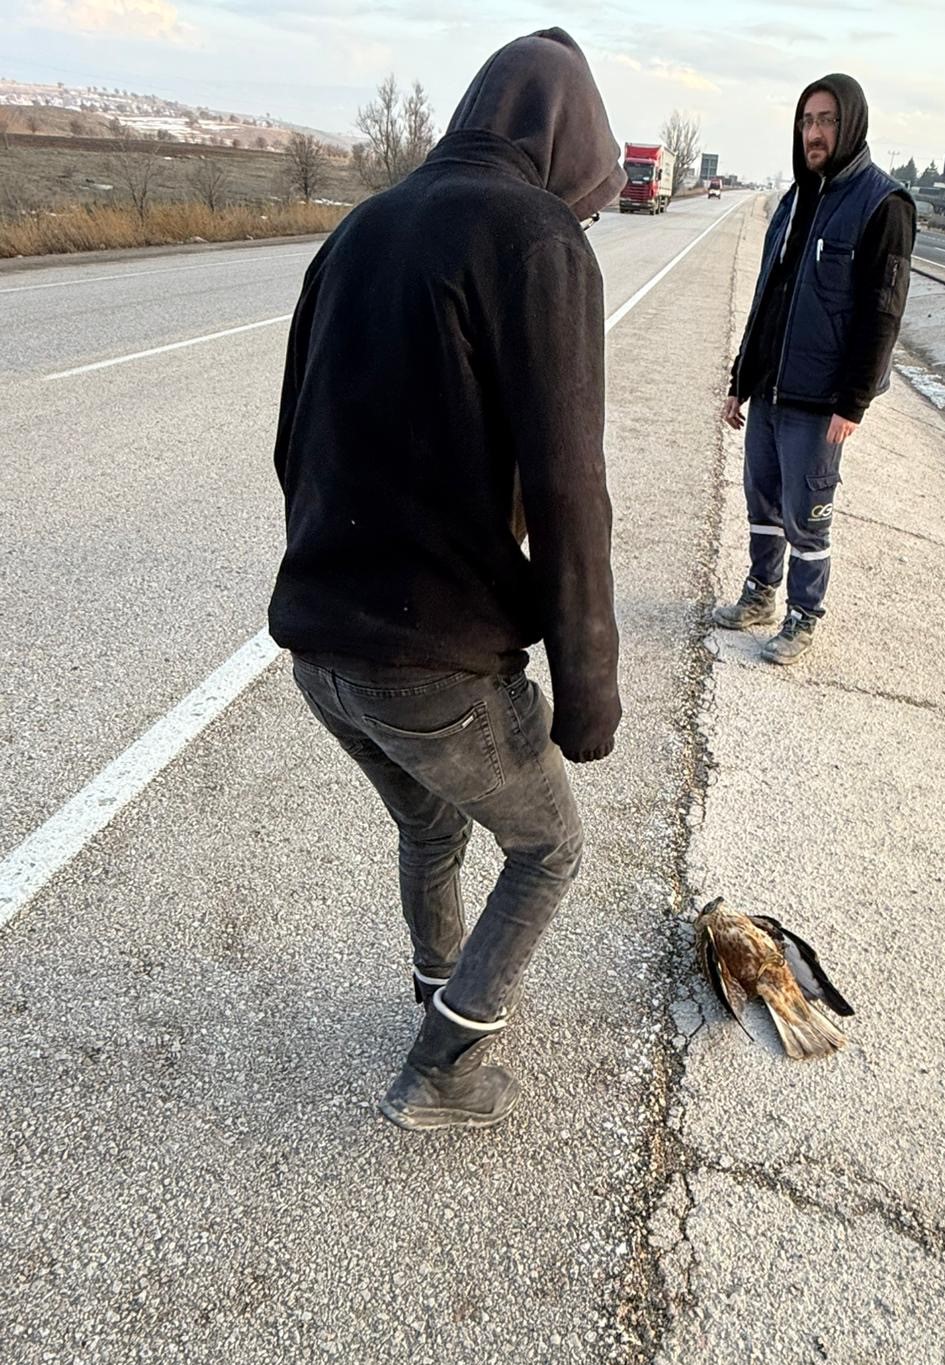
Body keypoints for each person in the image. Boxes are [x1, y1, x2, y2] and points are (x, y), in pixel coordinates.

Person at [269, 29, 625, 1132]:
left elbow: (292, 442)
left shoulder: (364, 225)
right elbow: (571, 488)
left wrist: (338, 576)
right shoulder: (534, 238)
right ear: (570, 136)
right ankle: (447, 1070)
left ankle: (438, 996)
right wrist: (590, 691)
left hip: (318, 651)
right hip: (434, 664)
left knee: (430, 829)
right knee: (550, 844)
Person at [716, 74, 915, 662]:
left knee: (808, 516)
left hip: (820, 402)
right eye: (806, 121)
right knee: (763, 502)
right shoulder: (795, 199)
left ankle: (804, 615)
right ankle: (760, 593)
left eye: (826, 120)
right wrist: (740, 380)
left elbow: (884, 314)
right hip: (772, 391)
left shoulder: (884, 205)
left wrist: (853, 402)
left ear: (850, 124)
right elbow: (768, 297)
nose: (814, 133)